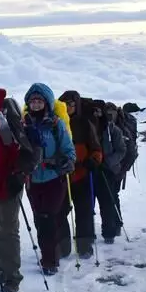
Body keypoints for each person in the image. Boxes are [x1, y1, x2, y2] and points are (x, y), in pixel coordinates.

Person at [0, 87, 39, 292]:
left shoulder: (5, 115)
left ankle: (12, 276)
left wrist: (19, 175)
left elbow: (26, 149)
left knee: (7, 229)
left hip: (8, 180)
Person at [23, 84, 76, 275]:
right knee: (39, 219)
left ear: (46, 103)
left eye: (39, 101)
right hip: (32, 180)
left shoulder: (56, 124)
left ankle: (49, 261)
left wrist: (67, 162)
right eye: (33, 101)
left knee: (48, 218)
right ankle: (51, 251)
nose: (36, 104)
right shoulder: (23, 124)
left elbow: (68, 149)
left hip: (54, 178)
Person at [58, 91, 103, 259]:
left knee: (83, 211)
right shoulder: (57, 123)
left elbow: (96, 148)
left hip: (82, 173)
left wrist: (93, 160)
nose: (68, 107)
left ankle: (85, 246)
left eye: (71, 104)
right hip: (62, 176)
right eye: (65, 104)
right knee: (60, 212)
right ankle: (62, 247)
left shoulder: (84, 123)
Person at [93, 101, 126, 243]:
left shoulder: (114, 130)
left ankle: (109, 233)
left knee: (108, 201)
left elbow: (121, 150)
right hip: (92, 168)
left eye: (100, 112)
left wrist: (107, 162)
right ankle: (109, 230)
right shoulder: (90, 128)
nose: (97, 115)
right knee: (94, 202)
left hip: (108, 170)